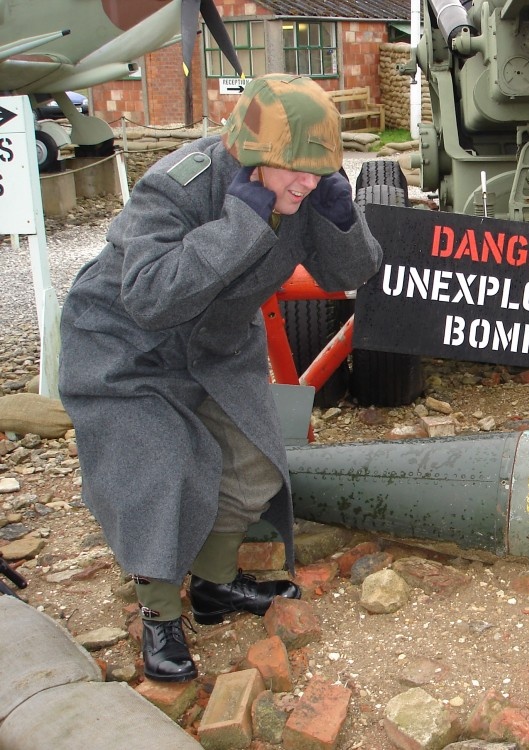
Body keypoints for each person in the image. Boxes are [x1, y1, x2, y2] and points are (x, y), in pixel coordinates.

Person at [58, 74, 384, 683]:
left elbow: (349, 274)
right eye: (295, 171)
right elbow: (148, 297)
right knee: (161, 466)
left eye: (319, 171)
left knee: (253, 461)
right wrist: (240, 224)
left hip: (218, 345)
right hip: (126, 347)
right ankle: (158, 613)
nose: (307, 183)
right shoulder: (174, 186)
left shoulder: (308, 185)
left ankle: (213, 586)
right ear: (250, 154)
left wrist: (344, 220)